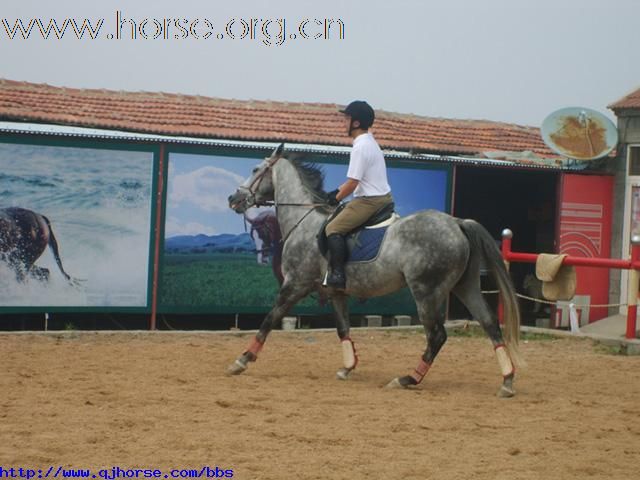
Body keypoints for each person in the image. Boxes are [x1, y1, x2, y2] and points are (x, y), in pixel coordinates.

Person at [324, 100, 393, 289]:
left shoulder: (360, 146)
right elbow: (354, 180)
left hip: (370, 201)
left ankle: (338, 275)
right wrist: (336, 192)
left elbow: (353, 182)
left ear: (356, 123)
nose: (343, 122)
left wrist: (336, 198)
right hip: (380, 196)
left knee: (333, 228)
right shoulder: (369, 142)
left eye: (346, 118)